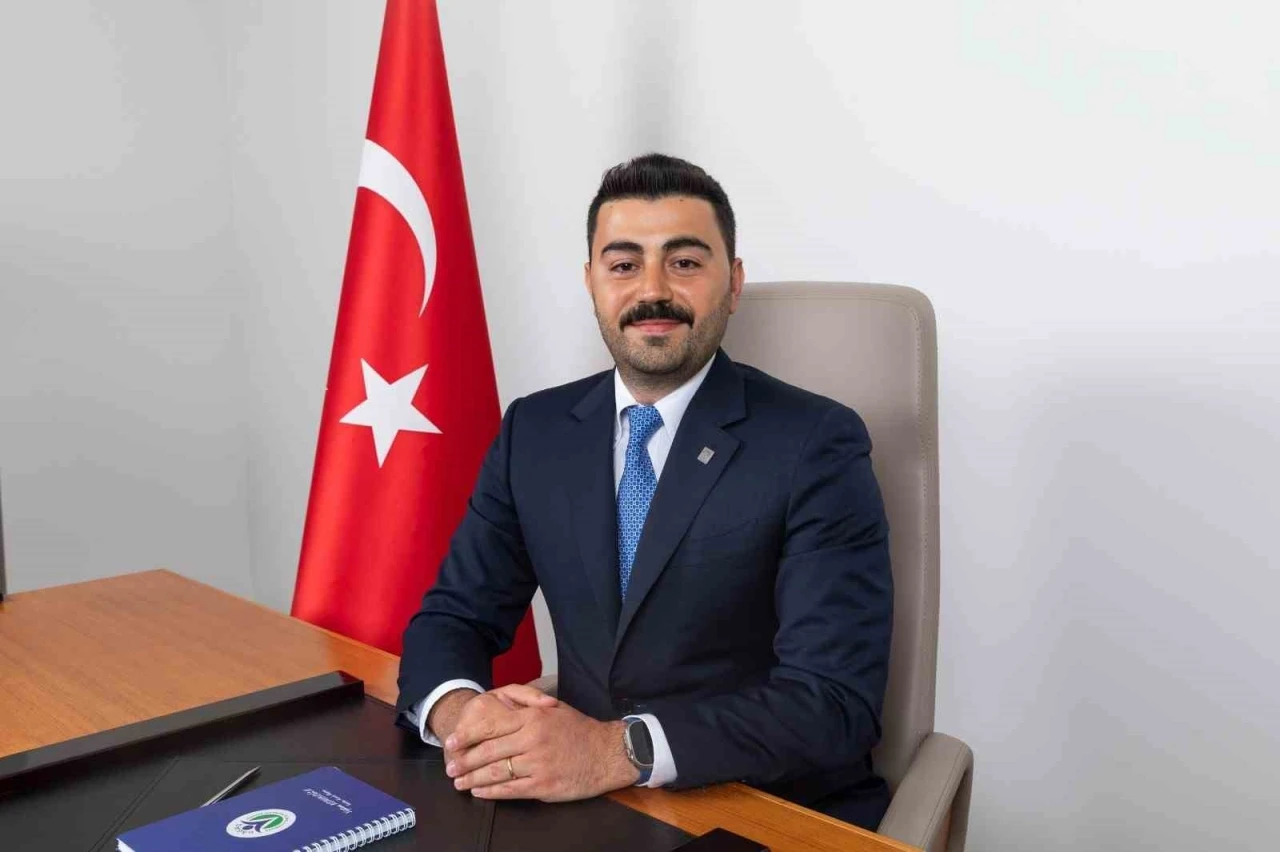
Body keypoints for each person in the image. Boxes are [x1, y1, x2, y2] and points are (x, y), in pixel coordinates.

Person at [396, 154, 894, 829]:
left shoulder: (816, 443)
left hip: (761, 809)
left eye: (684, 262)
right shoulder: (534, 431)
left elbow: (832, 702)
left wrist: (616, 750)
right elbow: (455, 616)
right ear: (592, 283)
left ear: (733, 283)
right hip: (580, 807)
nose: (652, 290)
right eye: (624, 264)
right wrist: (461, 714)